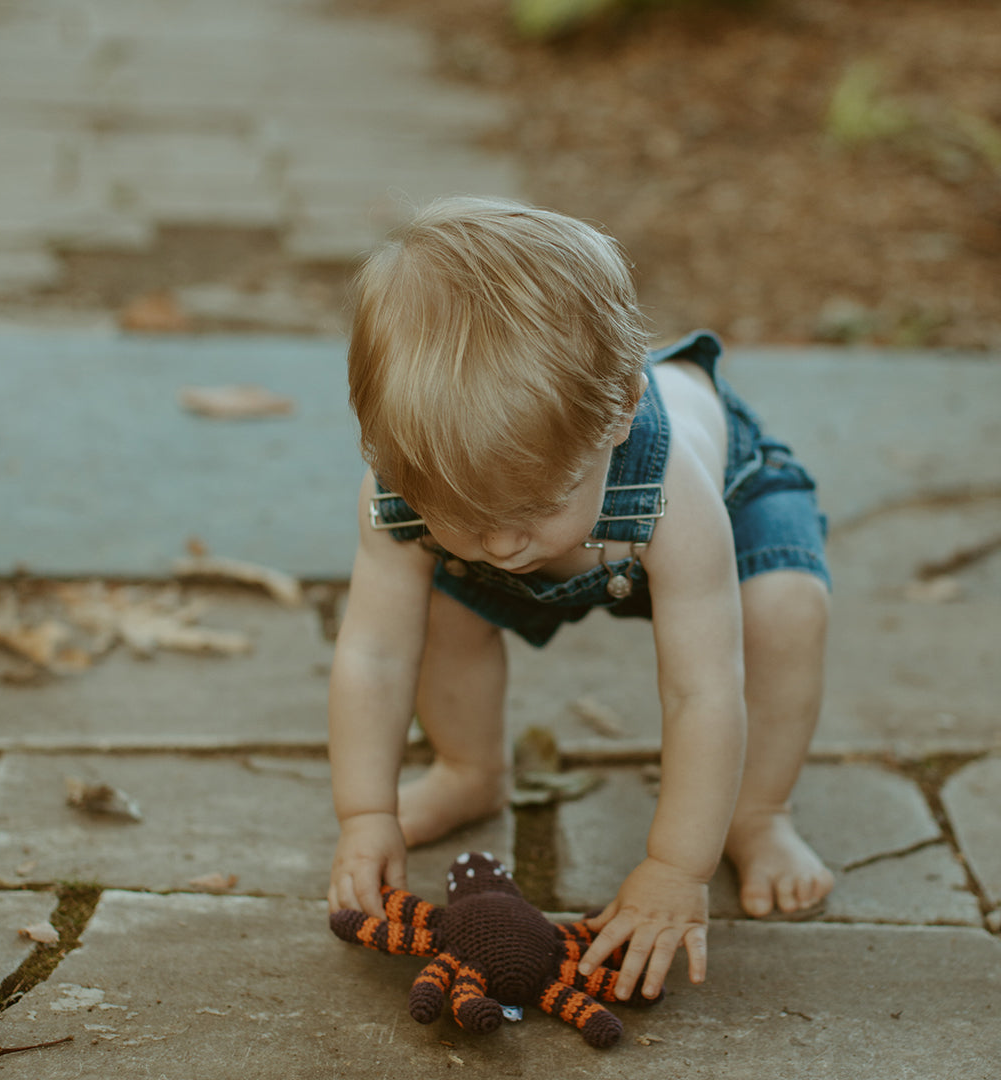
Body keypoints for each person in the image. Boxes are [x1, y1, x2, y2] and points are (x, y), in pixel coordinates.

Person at [326, 195, 834, 1002]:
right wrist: (364, 813)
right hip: (585, 520)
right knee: (441, 598)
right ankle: (467, 768)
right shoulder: (405, 484)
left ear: (620, 412)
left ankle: (758, 812)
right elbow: (374, 653)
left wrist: (674, 866)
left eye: (533, 509)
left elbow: (700, 687)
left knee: (785, 609)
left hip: (715, 503)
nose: (502, 545)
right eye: (466, 513)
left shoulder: (674, 486)